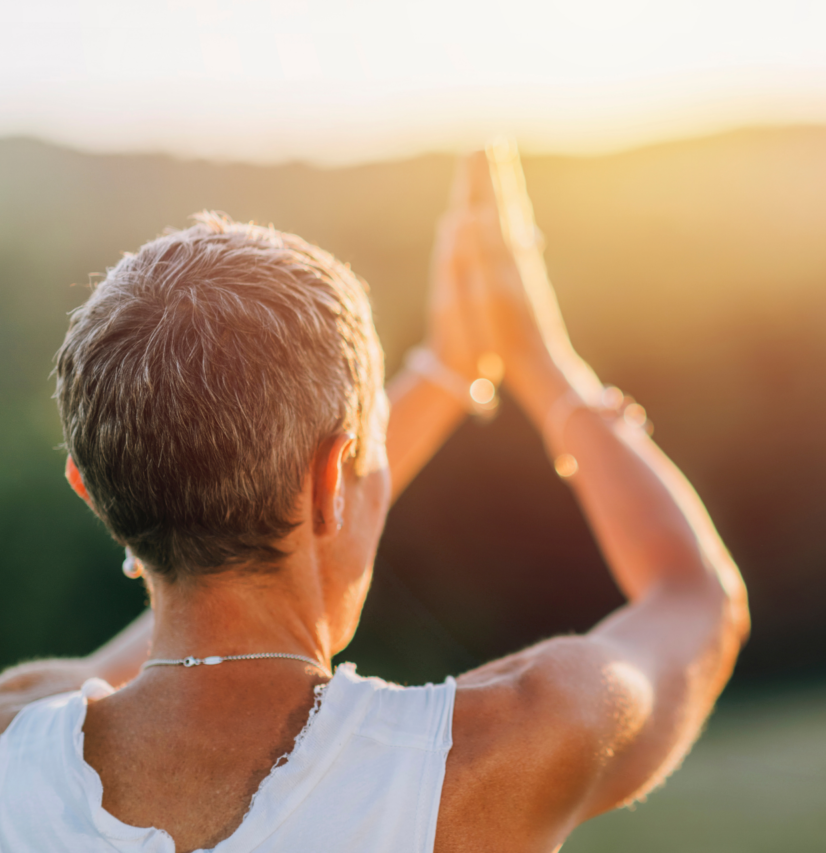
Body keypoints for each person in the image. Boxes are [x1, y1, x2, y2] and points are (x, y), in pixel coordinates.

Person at [0, 147, 749, 852]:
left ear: (93, 494)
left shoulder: (16, 734)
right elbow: (698, 599)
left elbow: (179, 634)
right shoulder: (494, 748)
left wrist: (446, 373)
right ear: (333, 479)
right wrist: (543, 362)